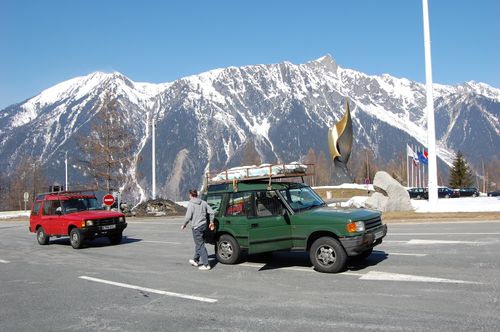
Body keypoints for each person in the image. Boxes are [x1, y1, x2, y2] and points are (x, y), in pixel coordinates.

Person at [181, 189, 215, 271]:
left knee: (200, 245)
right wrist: (211, 222)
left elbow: (188, 216)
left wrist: (184, 224)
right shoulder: (203, 202)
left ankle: (206, 264)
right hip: (204, 226)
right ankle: (195, 260)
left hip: (196, 227)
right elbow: (212, 212)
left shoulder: (191, 204)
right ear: (196, 194)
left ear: (190, 195)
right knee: (199, 243)